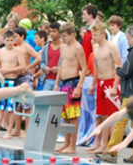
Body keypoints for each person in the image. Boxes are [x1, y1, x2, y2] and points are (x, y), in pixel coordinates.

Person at [95, 26, 133, 164]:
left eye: (128, 39)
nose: (128, 42)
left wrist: (118, 69)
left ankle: (112, 152)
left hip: (132, 93)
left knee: (120, 121)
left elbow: (126, 71)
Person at [86, 23, 122, 154]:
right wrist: (93, 84)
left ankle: (109, 146)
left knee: (112, 116)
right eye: (92, 35)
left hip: (111, 82)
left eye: (95, 35)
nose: (93, 37)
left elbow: (119, 67)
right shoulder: (95, 47)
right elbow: (97, 67)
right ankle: (101, 144)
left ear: (102, 35)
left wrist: (114, 87)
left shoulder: (111, 47)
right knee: (102, 115)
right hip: (100, 83)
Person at [54, 22, 87, 154]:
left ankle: (73, 145)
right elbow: (61, 65)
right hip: (63, 82)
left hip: (73, 83)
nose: (62, 39)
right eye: (61, 36)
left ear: (72, 34)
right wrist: (57, 83)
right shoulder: (63, 47)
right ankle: (66, 143)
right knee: (65, 115)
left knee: (73, 115)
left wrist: (79, 87)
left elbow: (84, 68)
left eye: (64, 36)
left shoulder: (78, 47)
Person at [0, 30, 26, 139]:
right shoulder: (1, 51)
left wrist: (7, 70)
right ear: (4, 40)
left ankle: (9, 131)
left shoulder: (18, 51)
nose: (9, 42)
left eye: (11, 40)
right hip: (2, 80)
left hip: (12, 80)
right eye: (7, 40)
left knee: (10, 107)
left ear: (14, 40)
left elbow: (22, 66)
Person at [10, 26, 41, 138]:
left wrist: (28, 67)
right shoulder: (15, 47)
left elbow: (38, 57)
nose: (14, 38)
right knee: (17, 103)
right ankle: (17, 129)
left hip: (25, 77)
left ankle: (27, 131)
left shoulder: (26, 47)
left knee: (27, 105)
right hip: (17, 77)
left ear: (22, 36)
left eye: (16, 36)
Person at [39, 22, 62, 91]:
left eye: (54, 31)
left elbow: (69, 64)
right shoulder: (46, 47)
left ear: (59, 32)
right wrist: (45, 68)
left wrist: (59, 69)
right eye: (50, 31)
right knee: (45, 101)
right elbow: (42, 62)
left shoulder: (64, 47)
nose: (51, 34)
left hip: (60, 80)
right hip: (47, 79)